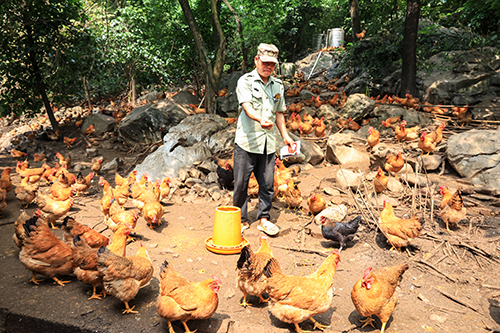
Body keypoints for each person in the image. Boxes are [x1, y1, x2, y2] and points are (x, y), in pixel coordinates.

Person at [233, 43, 293, 236]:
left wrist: (285, 136)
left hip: (268, 143)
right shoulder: (245, 81)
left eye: (272, 64)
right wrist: (259, 119)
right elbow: (247, 106)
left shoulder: (278, 85)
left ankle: (264, 219)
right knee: (241, 183)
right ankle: (240, 219)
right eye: (265, 63)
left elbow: (279, 113)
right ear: (256, 60)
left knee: (268, 183)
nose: (268, 67)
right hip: (247, 141)